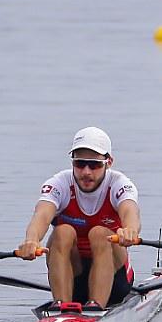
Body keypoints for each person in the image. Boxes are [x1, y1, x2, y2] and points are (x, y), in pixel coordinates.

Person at [17, 127, 140, 312]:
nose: (86, 172)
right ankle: (62, 306)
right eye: (80, 164)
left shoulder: (120, 184)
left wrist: (130, 230)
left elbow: (130, 211)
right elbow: (41, 215)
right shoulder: (60, 184)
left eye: (95, 165)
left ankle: (96, 307)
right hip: (73, 277)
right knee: (62, 231)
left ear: (109, 162)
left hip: (115, 281)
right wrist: (31, 241)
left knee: (99, 233)